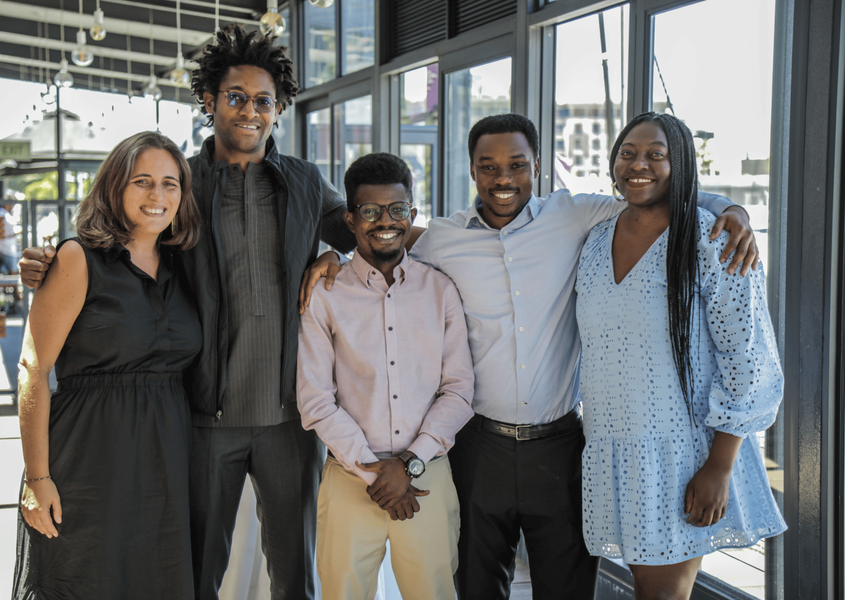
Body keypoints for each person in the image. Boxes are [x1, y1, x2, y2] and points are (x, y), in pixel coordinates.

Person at [302, 113, 759, 600]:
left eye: (517, 165)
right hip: (478, 447)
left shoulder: (575, 215)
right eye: (488, 166)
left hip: (560, 447)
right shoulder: (443, 239)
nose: (503, 178)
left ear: (537, 166)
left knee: (566, 588)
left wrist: (731, 208)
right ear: (472, 170)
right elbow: (385, 241)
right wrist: (335, 259)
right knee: (475, 586)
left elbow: (652, 194)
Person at [18, 25, 394, 600]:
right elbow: (122, 241)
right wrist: (49, 262)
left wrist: (335, 255)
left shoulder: (304, 182)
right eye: (236, 97)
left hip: (289, 418)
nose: (250, 111)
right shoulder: (182, 183)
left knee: (296, 575)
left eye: (263, 100)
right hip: (200, 418)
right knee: (191, 574)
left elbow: (373, 235)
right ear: (210, 101)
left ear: (279, 109)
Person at [575, 112, 785, 599]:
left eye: (657, 154)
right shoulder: (595, 239)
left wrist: (720, 467)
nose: (638, 164)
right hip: (613, 448)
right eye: (628, 153)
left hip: (681, 456)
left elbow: (746, 360)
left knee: (662, 594)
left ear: (682, 164)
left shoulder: (712, 241)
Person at [12, 131, 202, 599]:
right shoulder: (78, 258)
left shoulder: (186, 266)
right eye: (143, 181)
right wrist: (37, 478)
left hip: (165, 464)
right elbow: (33, 369)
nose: (157, 196)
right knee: (83, 581)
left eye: (170, 184)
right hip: (88, 460)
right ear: (115, 186)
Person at [296, 153, 475, 599]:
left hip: (426, 476)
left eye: (397, 209)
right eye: (371, 211)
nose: (386, 222)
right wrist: (377, 475)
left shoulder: (441, 290)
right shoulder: (324, 294)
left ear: (411, 214)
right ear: (350, 219)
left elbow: (458, 391)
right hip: (349, 476)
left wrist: (410, 462)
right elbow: (315, 400)